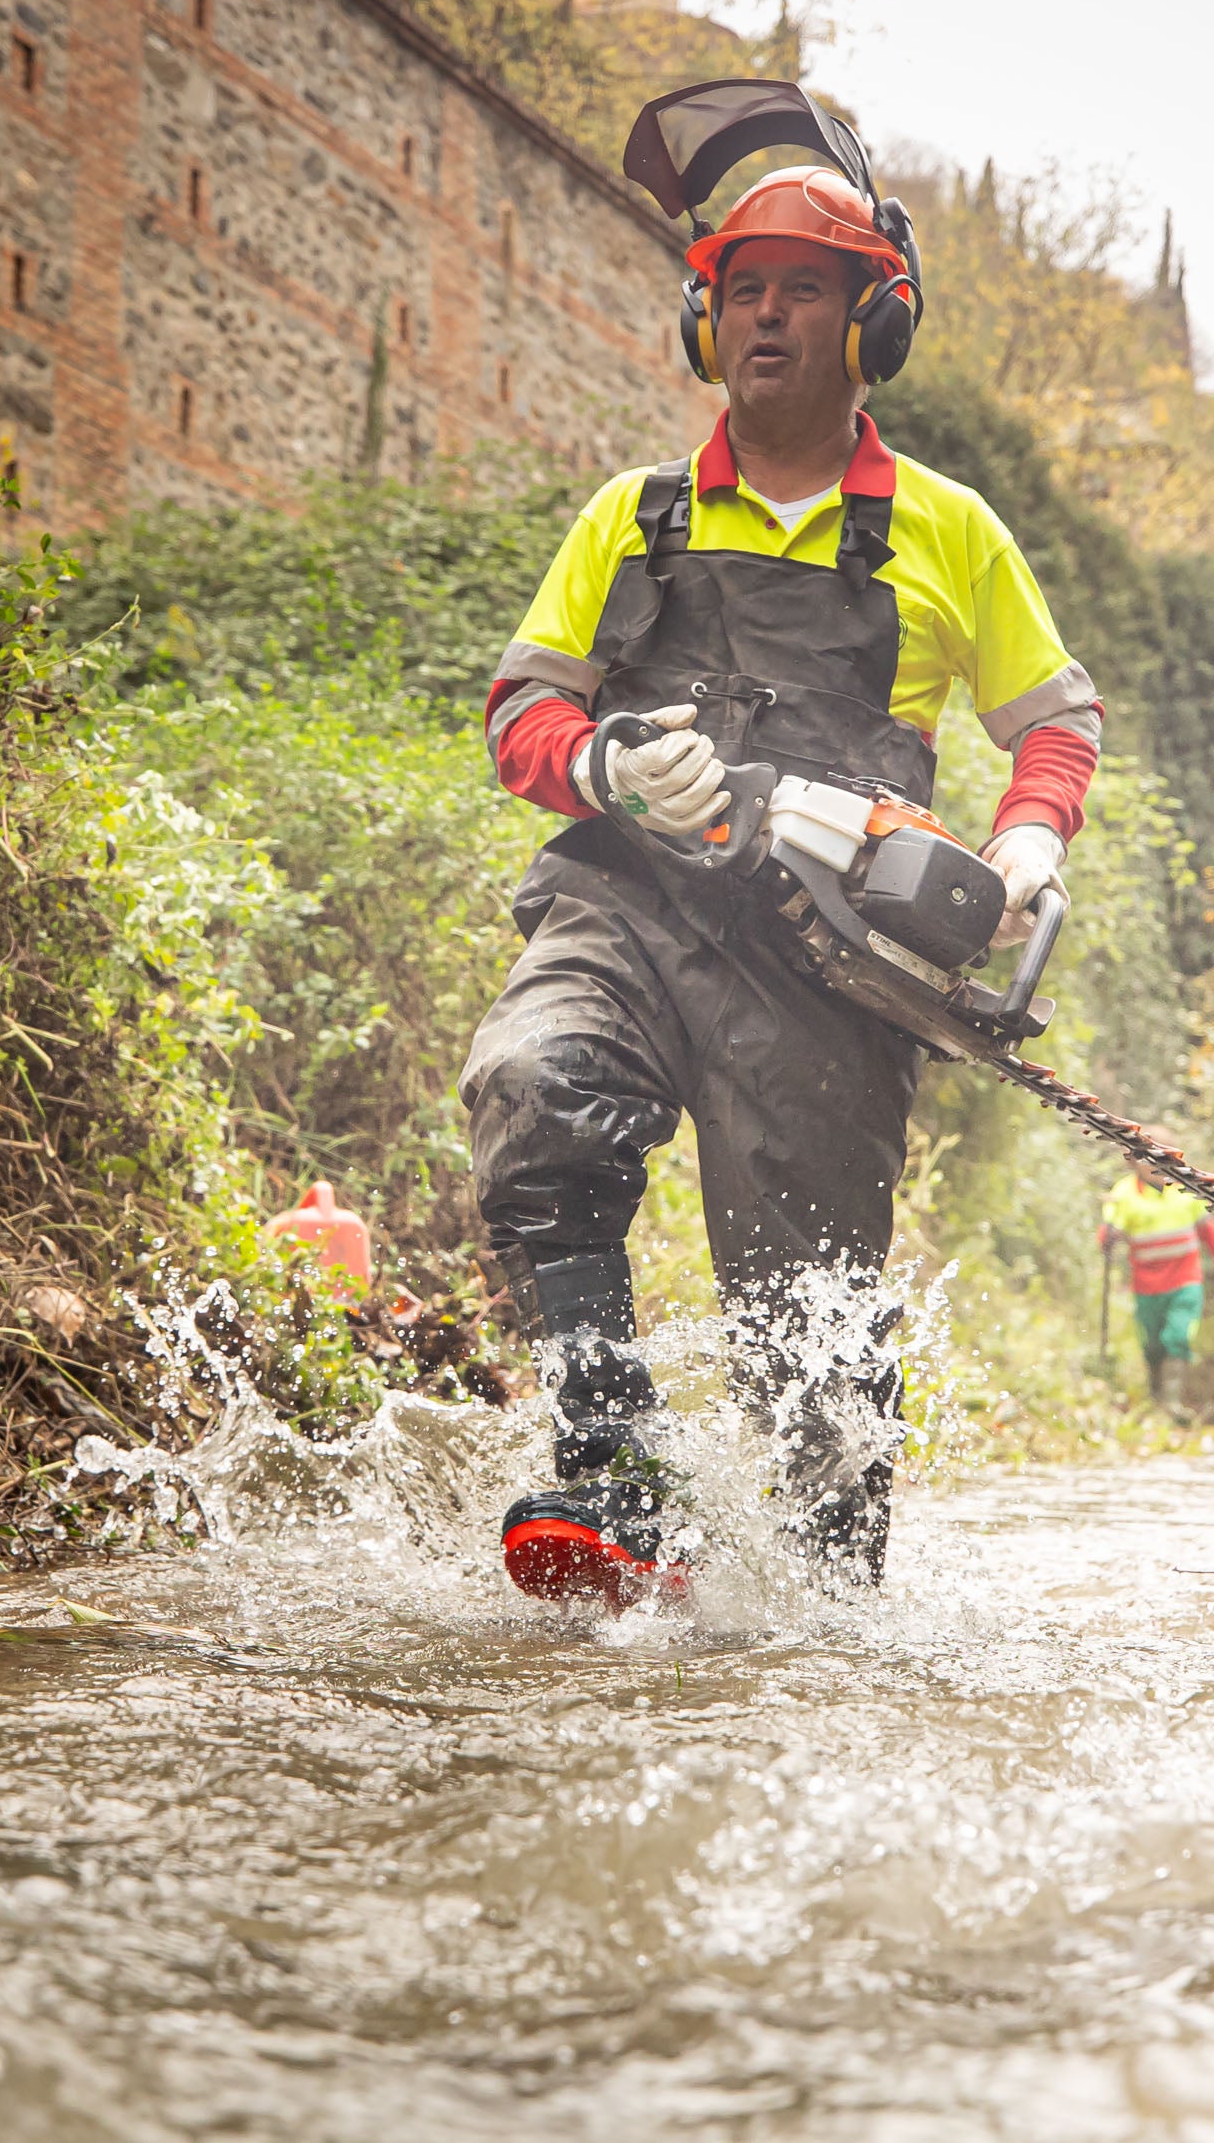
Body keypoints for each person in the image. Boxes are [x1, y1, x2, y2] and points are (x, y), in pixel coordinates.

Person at [466, 161, 1103, 1596]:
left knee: (808, 1347)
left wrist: (1023, 845)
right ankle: (610, 1462)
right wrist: (607, 768)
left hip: (829, 968)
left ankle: (824, 1617)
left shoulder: (949, 530)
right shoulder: (630, 517)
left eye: (800, 291)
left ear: (872, 322)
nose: (764, 317)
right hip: (622, 906)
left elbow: (1052, 721)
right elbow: (521, 714)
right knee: (531, 1087)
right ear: (706, 319)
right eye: (740, 290)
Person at [1101, 1134, 1214, 1411]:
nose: (1154, 1164)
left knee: (1178, 1336)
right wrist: (1107, 1237)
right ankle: (1156, 1396)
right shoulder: (1124, 1194)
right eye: (1146, 1157)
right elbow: (1111, 1228)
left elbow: (1206, 1227)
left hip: (1185, 1281)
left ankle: (1172, 1403)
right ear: (1134, 1161)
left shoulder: (1185, 1189)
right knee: (1152, 1344)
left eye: (1161, 1157)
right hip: (1147, 1286)